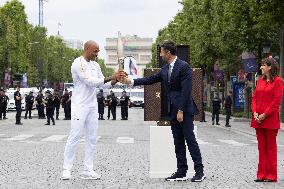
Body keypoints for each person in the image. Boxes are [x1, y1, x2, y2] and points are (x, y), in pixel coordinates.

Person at [123, 41, 205, 182]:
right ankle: (181, 171)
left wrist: (181, 110)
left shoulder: (184, 67)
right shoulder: (165, 69)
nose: (160, 55)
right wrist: (131, 81)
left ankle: (199, 172)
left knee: (190, 140)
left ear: (168, 52)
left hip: (183, 109)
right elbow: (150, 79)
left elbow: (186, 91)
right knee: (178, 141)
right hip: (172, 110)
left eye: (161, 52)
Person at [61, 40, 124, 180]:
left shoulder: (96, 65)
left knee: (91, 138)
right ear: (87, 49)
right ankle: (66, 168)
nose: (97, 54)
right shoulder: (78, 63)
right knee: (75, 135)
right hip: (79, 105)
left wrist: (116, 79)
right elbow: (90, 82)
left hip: (92, 105)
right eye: (95, 51)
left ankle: (88, 170)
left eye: (98, 51)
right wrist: (111, 77)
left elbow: (103, 85)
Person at [251, 57, 283, 182]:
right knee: (261, 147)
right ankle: (261, 174)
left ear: (270, 67)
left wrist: (265, 114)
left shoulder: (278, 81)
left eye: (263, 65)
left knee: (270, 147)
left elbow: (276, 102)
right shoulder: (260, 81)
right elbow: (254, 98)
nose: (261, 67)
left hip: (269, 119)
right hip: (257, 119)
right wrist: (254, 112)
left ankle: (271, 175)